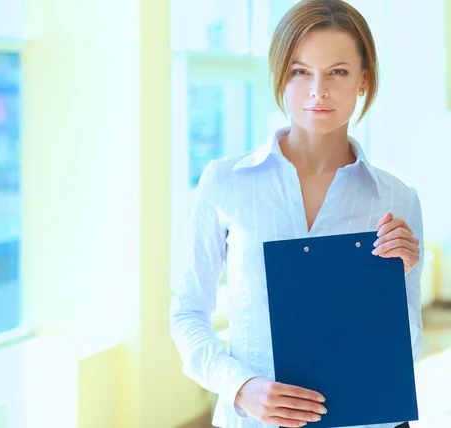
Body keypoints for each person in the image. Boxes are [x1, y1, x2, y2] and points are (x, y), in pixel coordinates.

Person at [169, 1, 423, 428]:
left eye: (338, 72)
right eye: (300, 71)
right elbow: (187, 312)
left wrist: (392, 286)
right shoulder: (225, 183)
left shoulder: (397, 199)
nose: (317, 91)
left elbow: (409, 348)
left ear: (363, 80)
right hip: (253, 422)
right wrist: (240, 386)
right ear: (280, 76)